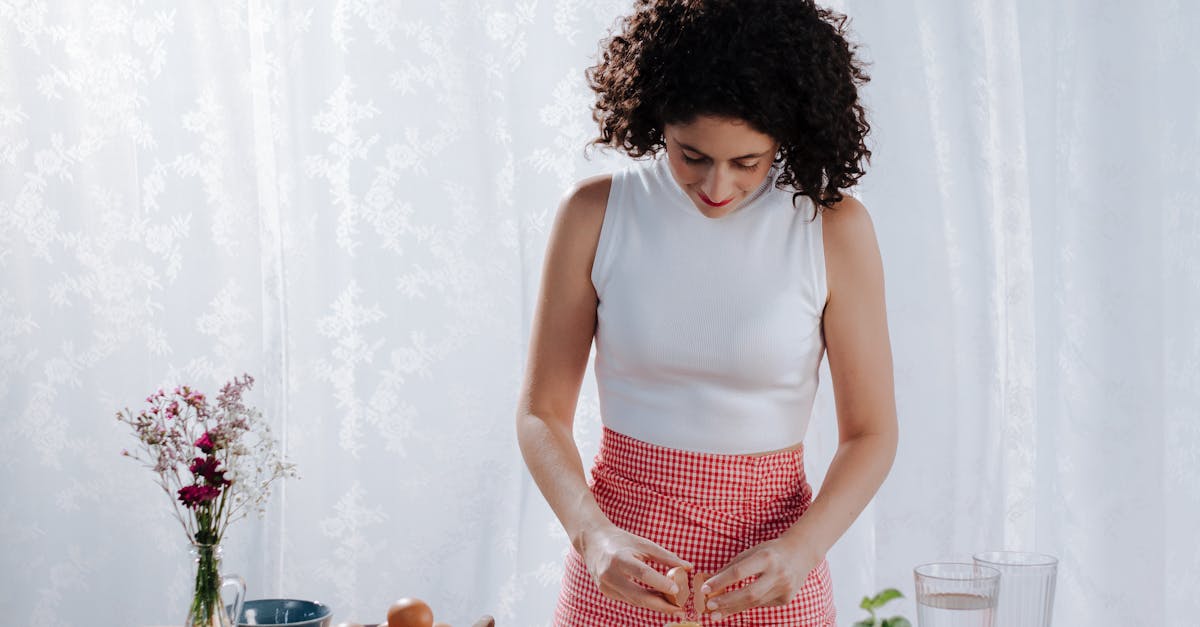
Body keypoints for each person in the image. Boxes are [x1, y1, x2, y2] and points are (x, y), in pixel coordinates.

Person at [515, 0, 897, 625]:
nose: (717, 187)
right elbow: (541, 414)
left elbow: (871, 434)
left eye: (747, 162)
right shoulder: (594, 214)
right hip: (619, 569)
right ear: (655, 120)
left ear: (786, 133)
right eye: (691, 155)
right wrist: (592, 537)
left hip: (775, 572)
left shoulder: (832, 227)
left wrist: (801, 550)